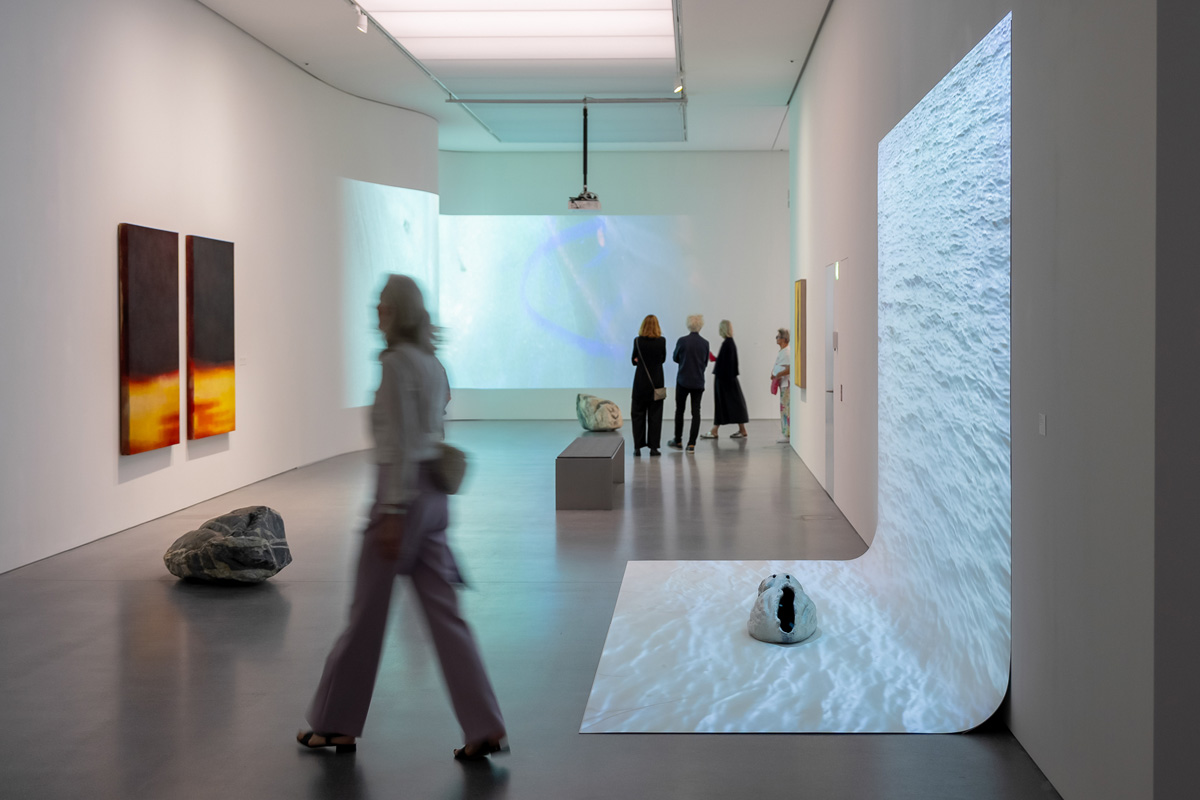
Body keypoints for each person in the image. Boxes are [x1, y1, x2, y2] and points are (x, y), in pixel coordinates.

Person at [297, 274, 507, 761]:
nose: (376, 312)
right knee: (446, 616)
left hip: (400, 500)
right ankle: (484, 725)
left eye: (383, 305)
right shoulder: (433, 363)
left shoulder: (394, 365)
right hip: (435, 500)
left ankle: (335, 724)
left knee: (365, 617)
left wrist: (391, 511)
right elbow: (434, 425)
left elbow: (397, 443)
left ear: (397, 311)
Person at [667, 314, 711, 453]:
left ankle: (678, 440)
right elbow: (705, 362)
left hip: (683, 380)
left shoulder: (682, 341)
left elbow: (675, 358)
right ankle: (691, 444)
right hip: (698, 381)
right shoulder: (705, 343)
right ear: (700, 326)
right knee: (696, 412)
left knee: (679, 410)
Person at [700, 320, 749, 439]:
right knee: (735, 403)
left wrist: (716, 360)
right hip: (729, 379)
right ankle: (741, 429)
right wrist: (716, 359)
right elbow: (728, 362)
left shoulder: (727, 343)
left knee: (722, 404)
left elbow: (727, 363)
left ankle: (715, 430)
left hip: (724, 380)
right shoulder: (730, 343)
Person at [630, 314, 667, 456]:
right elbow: (662, 359)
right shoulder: (662, 341)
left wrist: (637, 359)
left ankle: (637, 447)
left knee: (637, 416)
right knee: (655, 417)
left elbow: (633, 360)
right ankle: (653, 448)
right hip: (656, 384)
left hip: (640, 384)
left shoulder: (637, 341)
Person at [772, 328, 792, 443]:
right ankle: (785, 433)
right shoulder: (783, 351)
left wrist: (777, 374)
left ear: (784, 339)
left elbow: (789, 369)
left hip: (786, 384)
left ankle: (787, 434)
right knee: (784, 409)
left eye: (778, 337)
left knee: (786, 410)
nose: (776, 338)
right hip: (783, 384)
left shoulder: (787, 352)